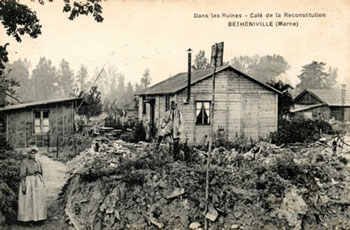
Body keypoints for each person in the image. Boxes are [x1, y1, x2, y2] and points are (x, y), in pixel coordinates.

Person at [18, 146, 47, 224]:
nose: (33, 155)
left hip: (37, 181)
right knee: (29, 200)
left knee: (39, 200)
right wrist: (23, 186)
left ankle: (39, 218)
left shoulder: (38, 162)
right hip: (29, 182)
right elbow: (22, 175)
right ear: (28, 154)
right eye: (31, 153)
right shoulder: (25, 162)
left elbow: (41, 172)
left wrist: (42, 182)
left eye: (34, 153)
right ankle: (29, 220)